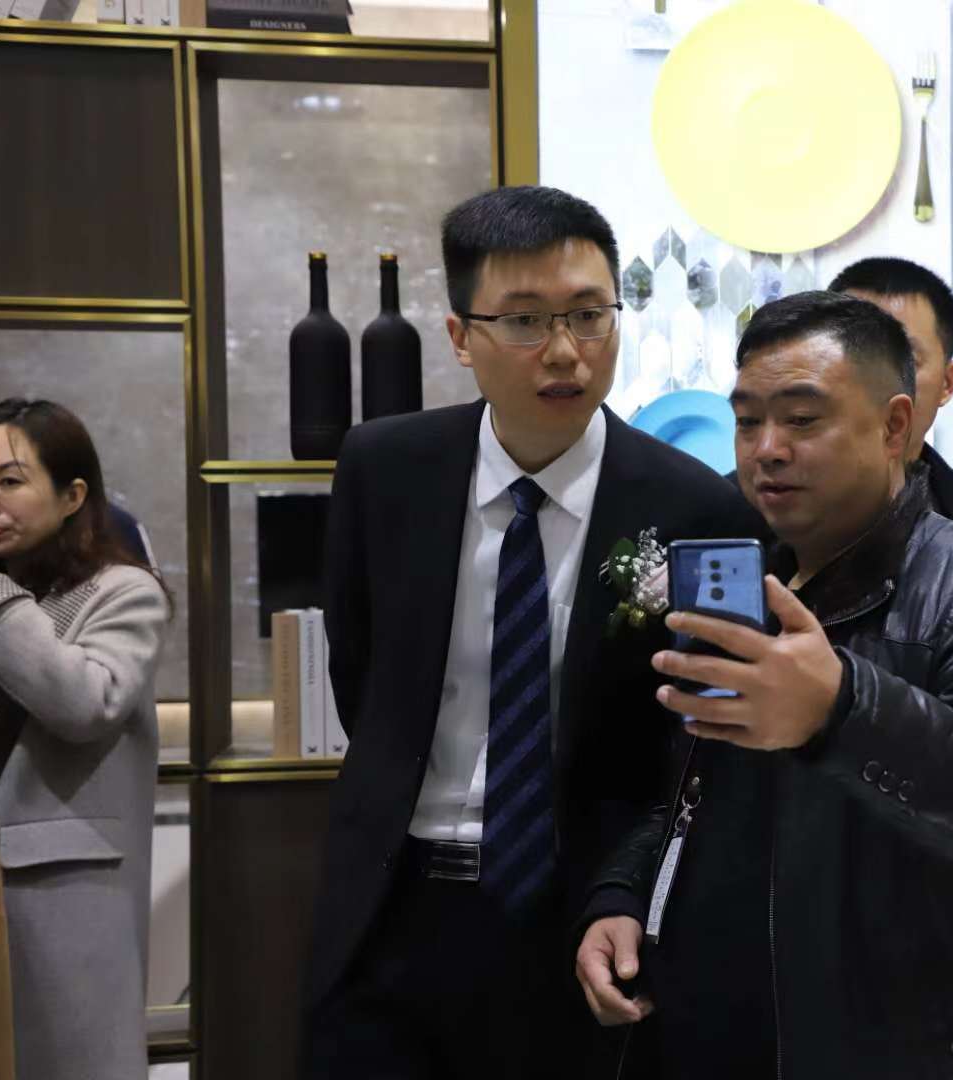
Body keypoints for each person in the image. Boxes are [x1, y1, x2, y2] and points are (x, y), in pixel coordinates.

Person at [300, 185, 762, 1079]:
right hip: (394, 903)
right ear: (460, 335)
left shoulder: (698, 507)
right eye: (523, 321)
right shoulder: (384, 469)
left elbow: (701, 743)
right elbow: (362, 676)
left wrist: (624, 888)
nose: (563, 351)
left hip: (587, 914)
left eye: (589, 315)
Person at [576, 292, 953, 1078]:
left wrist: (842, 709)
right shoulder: (745, 580)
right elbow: (694, 788)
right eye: (748, 422)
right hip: (718, 1033)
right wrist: (624, 894)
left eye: (803, 420)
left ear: (895, 427)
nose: (767, 449)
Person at [0, 398, 172, 1080]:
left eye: (10, 481)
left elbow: (84, 703)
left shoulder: (123, 591)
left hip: (58, 895)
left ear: (72, 496)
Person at [830, 256, 953, 552]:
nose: (874, 379)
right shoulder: (760, 502)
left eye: (905, 359)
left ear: (947, 383)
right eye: (855, 353)